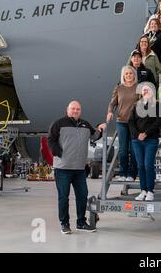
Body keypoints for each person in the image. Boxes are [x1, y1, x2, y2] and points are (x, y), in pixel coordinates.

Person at [48, 100, 106, 234]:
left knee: (82, 195)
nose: (75, 111)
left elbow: (94, 136)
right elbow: (51, 139)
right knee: (64, 197)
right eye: (73, 109)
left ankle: (81, 223)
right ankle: (64, 224)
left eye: (78, 109)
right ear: (67, 110)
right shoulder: (59, 123)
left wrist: (100, 129)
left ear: (80, 111)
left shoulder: (85, 124)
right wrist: (60, 153)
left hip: (79, 168)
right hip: (63, 168)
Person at [129, 83, 161, 201]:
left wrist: (146, 133)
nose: (145, 92)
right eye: (143, 90)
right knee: (141, 165)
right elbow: (131, 122)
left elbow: (159, 121)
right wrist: (138, 134)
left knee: (148, 165)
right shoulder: (135, 105)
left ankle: (150, 191)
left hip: (150, 140)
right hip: (137, 140)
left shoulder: (157, 105)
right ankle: (143, 190)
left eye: (148, 90)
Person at [107, 66, 139, 182]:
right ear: (123, 76)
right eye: (126, 74)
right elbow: (112, 103)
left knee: (134, 149)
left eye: (130, 73)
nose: (129, 75)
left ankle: (132, 174)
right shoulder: (119, 88)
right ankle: (122, 173)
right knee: (123, 150)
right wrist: (110, 112)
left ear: (134, 75)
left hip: (135, 123)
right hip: (121, 122)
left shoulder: (138, 88)